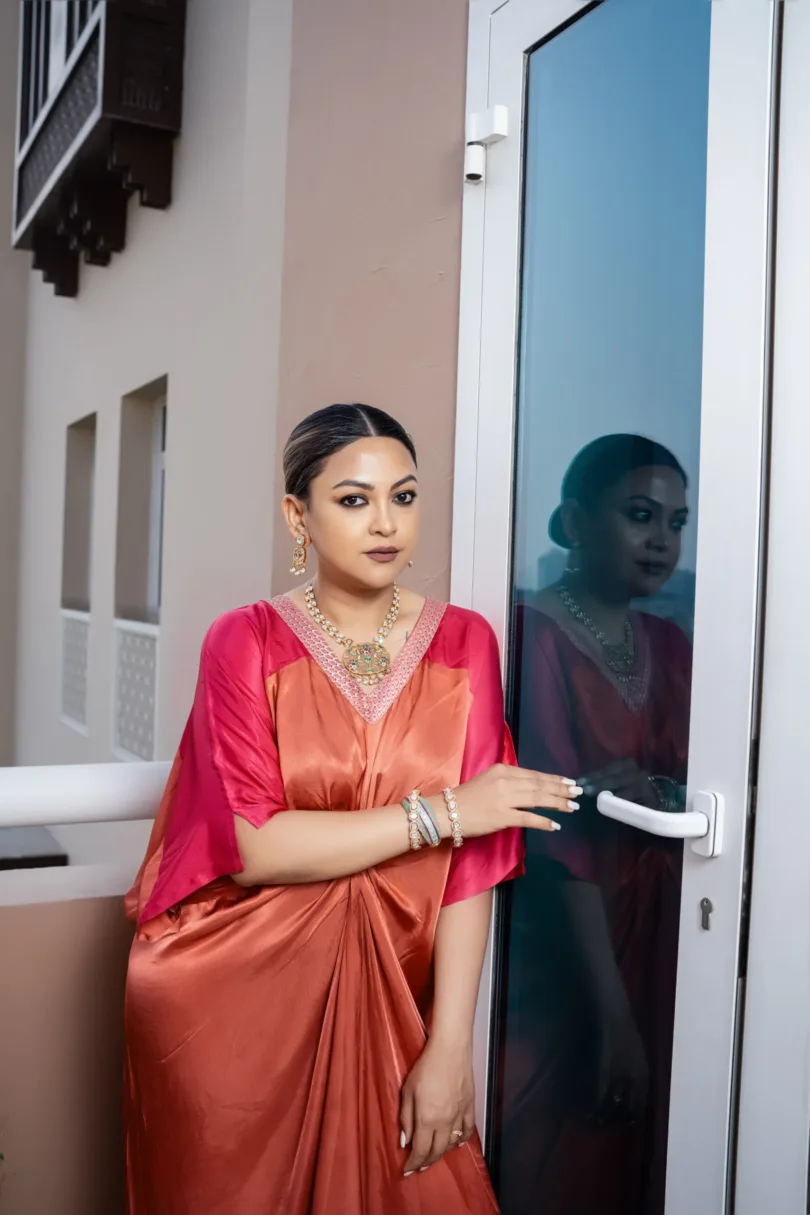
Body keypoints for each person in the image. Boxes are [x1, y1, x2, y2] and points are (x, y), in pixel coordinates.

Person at [122, 403, 579, 1215]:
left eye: (403, 497)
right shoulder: (247, 640)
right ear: (298, 514)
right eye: (353, 498)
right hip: (236, 1000)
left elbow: (473, 864)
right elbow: (256, 845)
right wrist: (444, 810)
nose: (386, 523)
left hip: (402, 990)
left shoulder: (465, 641)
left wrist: (450, 1045)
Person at [498, 434, 693, 1215]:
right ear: (574, 522)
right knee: (558, 1145)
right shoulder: (530, 635)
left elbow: (700, 785)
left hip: (668, 927)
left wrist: (663, 791)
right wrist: (611, 1012)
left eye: (677, 521)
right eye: (640, 514)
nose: (662, 539)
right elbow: (553, 827)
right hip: (568, 935)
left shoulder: (671, 644)